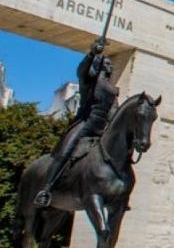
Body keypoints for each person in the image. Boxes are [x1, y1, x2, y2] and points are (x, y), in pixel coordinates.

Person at [34, 39, 119, 207]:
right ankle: (46, 189)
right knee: (66, 151)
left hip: (101, 129)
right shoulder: (89, 83)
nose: (110, 67)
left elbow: (114, 111)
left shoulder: (113, 91)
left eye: (110, 64)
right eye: (107, 63)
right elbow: (82, 71)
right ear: (100, 66)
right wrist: (92, 53)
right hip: (85, 124)